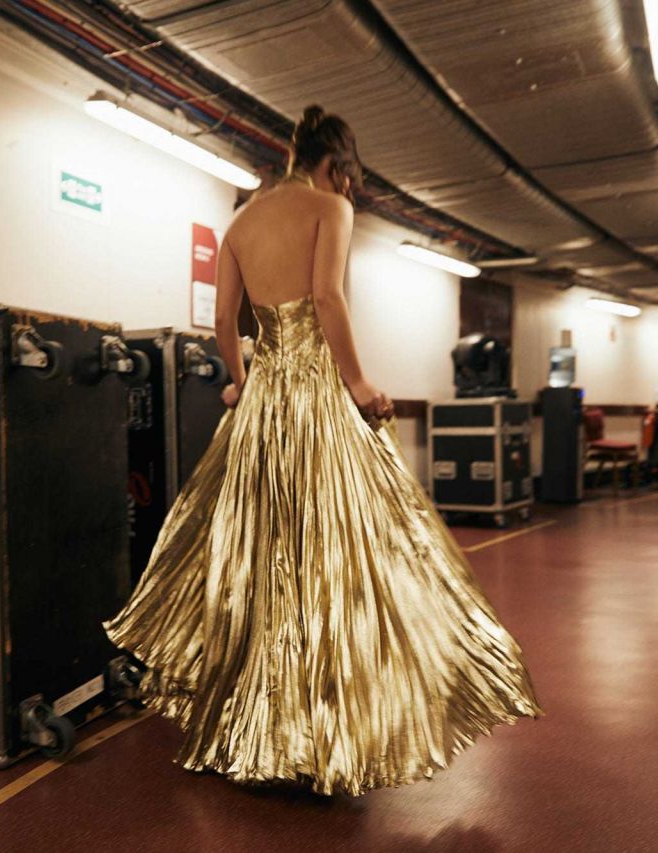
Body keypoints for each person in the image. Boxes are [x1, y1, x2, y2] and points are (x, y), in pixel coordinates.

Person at [103, 105, 542, 797]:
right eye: (350, 178)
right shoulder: (329, 209)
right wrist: (362, 384)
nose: (350, 189)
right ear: (336, 166)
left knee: (263, 558)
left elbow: (223, 321)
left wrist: (238, 380)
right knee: (344, 555)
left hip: (262, 408)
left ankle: (260, 725)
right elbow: (327, 299)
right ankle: (322, 727)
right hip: (315, 401)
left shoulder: (241, 223)